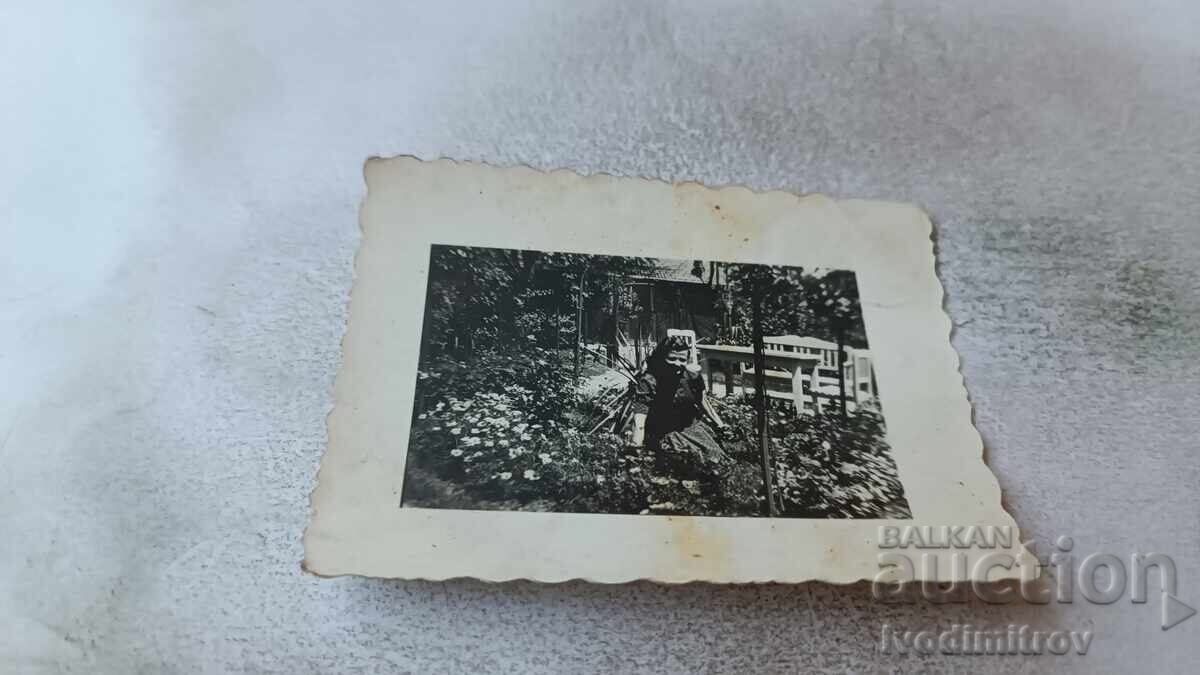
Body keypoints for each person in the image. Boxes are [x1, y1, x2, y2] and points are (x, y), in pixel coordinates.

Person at [629, 335, 729, 480]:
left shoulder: (692, 376)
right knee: (688, 465)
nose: (677, 364)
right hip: (665, 431)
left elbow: (702, 401)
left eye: (682, 360)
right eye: (672, 358)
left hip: (691, 426)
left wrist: (720, 424)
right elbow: (639, 421)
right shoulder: (649, 381)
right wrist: (636, 451)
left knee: (717, 460)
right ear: (661, 358)